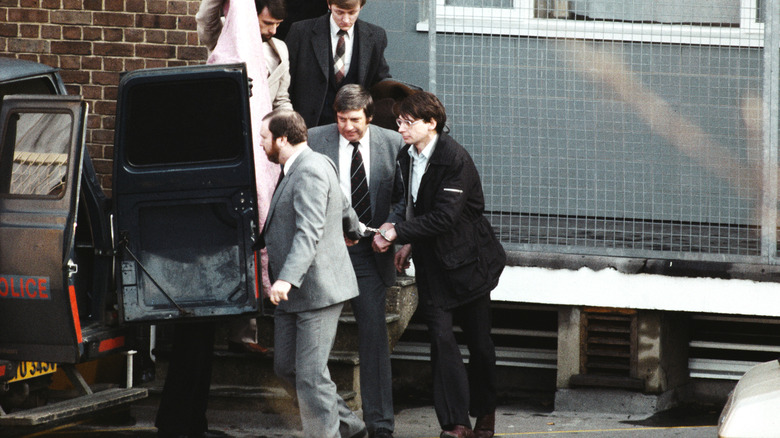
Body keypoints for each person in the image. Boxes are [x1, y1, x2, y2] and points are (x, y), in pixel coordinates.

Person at [372, 92, 506, 438]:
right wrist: (409, 241)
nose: (400, 127)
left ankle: (485, 414)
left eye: (408, 121)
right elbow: (412, 204)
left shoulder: (453, 158)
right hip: (433, 265)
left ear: (431, 123)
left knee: (479, 343)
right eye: (398, 121)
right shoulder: (407, 155)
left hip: (469, 262)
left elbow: (445, 216)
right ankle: (455, 422)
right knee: (441, 340)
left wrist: (397, 232)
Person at [260, 109, 368, 438]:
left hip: (315, 289)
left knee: (309, 375)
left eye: (264, 137)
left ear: (282, 138)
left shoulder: (308, 170)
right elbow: (344, 204)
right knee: (287, 369)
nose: (261, 143)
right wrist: (353, 228)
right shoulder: (309, 165)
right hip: (297, 294)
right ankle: (351, 428)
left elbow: (309, 232)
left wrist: (285, 278)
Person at [308, 84, 405, 438]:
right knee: (315, 345)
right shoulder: (315, 139)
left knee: (374, 340)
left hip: (370, 252)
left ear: (369, 115)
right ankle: (335, 424)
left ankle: (380, 427)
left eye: (353, 120)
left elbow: (401, 197)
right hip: (327, 252)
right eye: (340, 119)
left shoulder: (392, 144)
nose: (347, 127)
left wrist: (391, 232)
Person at [196, 0, 292, 355]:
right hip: (233, 151)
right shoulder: (226, 33)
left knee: (265, 228)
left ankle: (252, 327)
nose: (271, 31)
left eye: (277, 26)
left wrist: (290, 134)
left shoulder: (279, 50)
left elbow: (281, 98)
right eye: (267, 23)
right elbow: (203, 18)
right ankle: (238, 329)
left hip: (267, 154)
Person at [285, 0, 391, 127]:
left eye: (352, 13)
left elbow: (379, 81)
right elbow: (286, 82)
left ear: (361, 7)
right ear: (329, 5)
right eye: (339, 12)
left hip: (353, 125)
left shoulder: (376, 36)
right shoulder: (301, 31)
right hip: (308, 124)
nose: (346, 20)